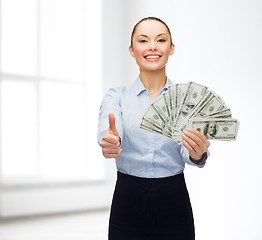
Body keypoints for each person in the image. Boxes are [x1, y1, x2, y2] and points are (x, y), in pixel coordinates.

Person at [97, 17, 210, 240]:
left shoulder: (186, 99)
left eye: (160, 40)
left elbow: (188, 151)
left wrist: (198, 153)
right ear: (132, 50)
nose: (152, 47)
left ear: (171, 48)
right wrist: (110, 140)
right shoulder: (116, 96)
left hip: (174, 200)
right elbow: (109, 130)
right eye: (143, 40)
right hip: (127, 200)